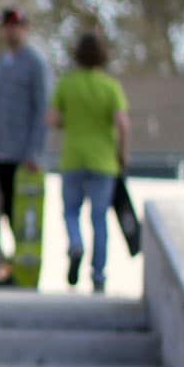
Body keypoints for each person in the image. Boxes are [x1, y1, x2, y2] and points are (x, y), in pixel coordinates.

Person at [47, 32, 129, 294]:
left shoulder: (67, 84)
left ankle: (75, 243)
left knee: (71, 211)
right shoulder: (110, 87)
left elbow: (52, 119)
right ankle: (98, 274)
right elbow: (123, 125)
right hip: (104, 161)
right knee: (99, 218)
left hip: (73, 157)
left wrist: (69, 121)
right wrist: (122, 155)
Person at [0, 7, 51, 285]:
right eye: (7, 26)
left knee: (21, 215)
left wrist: (34, 151)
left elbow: (43, 109)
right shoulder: (1, 62)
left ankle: (23, 269)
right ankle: (3, 267)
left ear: (25, 28)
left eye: (17, 26)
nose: (11, 31)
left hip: (24, 155)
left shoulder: (35, 62)